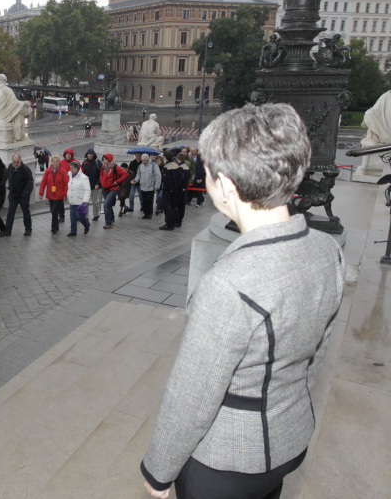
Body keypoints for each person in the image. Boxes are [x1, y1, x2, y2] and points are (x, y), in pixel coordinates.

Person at [141, 102, 346, 499]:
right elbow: (315, 355)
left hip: (226, 463)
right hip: (290, 436)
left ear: (227, 187)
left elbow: (193, 394)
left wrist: (158, 470)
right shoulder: (326, 251)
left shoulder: (229, 284)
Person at [0, 73, 32, 141]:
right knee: (19, 116)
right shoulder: (7, 90)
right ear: (4, 81)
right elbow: (14, 103)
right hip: (2, 117)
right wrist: (24, 103)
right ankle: (19, 136)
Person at [3, 154, 34, 237]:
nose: (15, 164)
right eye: (14, 162)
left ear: (20, 161)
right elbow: (7, 176)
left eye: (17, 162)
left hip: (23, 195)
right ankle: (8, 230)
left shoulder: (26, 169)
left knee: (26, 212)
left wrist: (25, 193)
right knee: (10, 212)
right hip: (13, 194)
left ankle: (28, 229)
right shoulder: (10, 167)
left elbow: (30, 182)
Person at [160, 152, 190, 231]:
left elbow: (165, 181)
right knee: (174, 207)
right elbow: (182, 178)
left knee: (168, 207)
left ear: (166, 158)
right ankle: (174, 222)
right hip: (177, 191)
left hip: (168, 191)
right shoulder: (178, 166)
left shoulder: (166, 167)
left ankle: (169, 224)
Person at [39, 155, 68, 234]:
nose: (55, 163)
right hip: (50, 194)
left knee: (55, 211)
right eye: (54, 161)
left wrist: (65, 194)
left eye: (57, 162)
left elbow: (66, 184)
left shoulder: (63, 172)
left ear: (59, 162)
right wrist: (41, 193)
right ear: (51, 162)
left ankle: (53, 228)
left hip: (59, 195)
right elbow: (43, 182)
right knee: (52, 211)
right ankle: (56, 224)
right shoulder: (48, 171)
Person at [99, 153, 129, 229]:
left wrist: (117, 181)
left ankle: (108, 223)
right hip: (104, 189)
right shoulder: (103, 167)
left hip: (113, 188)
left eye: (105, 159)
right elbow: (101, 175)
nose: (104, 161)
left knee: (106, 204)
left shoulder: (115, 167)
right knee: (108, 204)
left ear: (109, 160)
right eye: (103, 159)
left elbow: (125, 174)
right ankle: (112, 218)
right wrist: (102, 183)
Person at [66, 161, 91, 236]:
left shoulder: (84, 178)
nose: (71, 170)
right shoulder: (70, 175)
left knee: (79, 216)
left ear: (77, 169)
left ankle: (86, 224)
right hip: (72, 199)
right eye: (70, 168)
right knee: (72, 216)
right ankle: (73, 230)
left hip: (80, 200)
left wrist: (86, 200)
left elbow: (87, 189)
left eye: (73, 168)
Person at [132, 153, 161, 219]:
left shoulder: (154, 165)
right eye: (142, 160)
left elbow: (158, 175)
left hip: (150, 186)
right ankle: (145, 213)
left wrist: (157, 185)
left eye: (145, 160)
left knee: (149, 200)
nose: (143, 162)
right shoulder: (140, 166)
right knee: (144, 200)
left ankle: (150, 213)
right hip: (142, 186)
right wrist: (135, 180)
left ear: (148, 160)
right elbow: (138, 175)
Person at [81, 149, 103, 222]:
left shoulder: (98, 163)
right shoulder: (84, 163)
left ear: (93, 155)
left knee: (95, 201)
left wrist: (98, 184)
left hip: (95, 185)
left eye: (91, 154)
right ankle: (86, 216)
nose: (90, 155)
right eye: (88, 154)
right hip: (86, 186)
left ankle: (96, 214)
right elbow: (82, 174)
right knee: (86, 201)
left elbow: (101, 174)